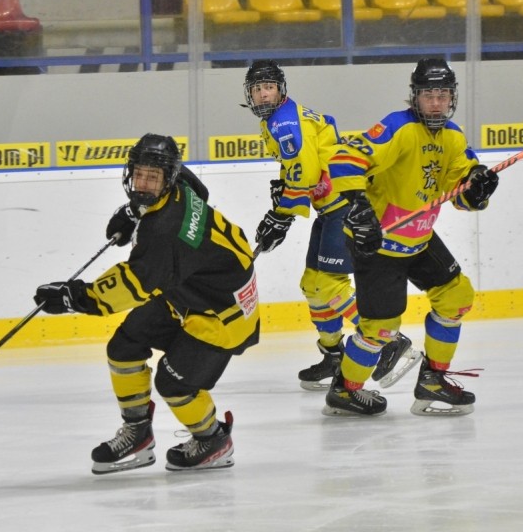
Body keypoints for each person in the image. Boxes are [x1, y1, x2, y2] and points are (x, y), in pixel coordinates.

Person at [34, 134, 260, 473]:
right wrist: (133, 212)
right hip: (189, 294)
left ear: (167, 178)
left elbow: (131, 286)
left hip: (223, 316)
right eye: (139, 174)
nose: (143, 184)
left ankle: (213, 439)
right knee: (125, 345)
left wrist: (73, 297)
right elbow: (199, 191)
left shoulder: (166, 232)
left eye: (152, 178)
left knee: (173, 383)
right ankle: (138, 433)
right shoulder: (180, 183)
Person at [325, 58, 498, 417]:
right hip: (378, 244)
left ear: (452, 98)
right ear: (415, 96)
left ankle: (432, 380)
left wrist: (478, 186)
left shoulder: (453, 137)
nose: (436, 103)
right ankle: (344, 390)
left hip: (418, 239)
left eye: (442, 95)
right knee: (380, 330)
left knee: (456, 296)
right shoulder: (397, 127)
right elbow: (344, 158)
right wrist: (358, 206)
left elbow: (462, 193)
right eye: (428, 95)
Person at [244, 59, 416, 391]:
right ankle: (334, 355)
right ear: (250, 95)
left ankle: (390, 341)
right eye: (258, 89)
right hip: (330, 207)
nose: (264, 94)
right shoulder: (277, 119)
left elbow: (306, 173)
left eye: (269, 87)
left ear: (280, 90)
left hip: (345, 207)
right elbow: (301, 165)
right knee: (313, 284)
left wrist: (281, 215)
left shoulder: (284, 122)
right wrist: (283, 198)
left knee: (326, 285)